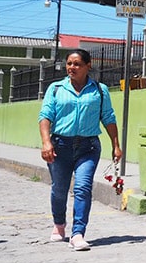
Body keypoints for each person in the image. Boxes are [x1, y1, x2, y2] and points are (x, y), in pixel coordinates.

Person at [38, 49, 122, 251]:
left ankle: (78, 233)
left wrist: (116, 145)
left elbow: (108, 118)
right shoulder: (56, 88)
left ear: (87, 66)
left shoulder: (99, 90)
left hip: (88, 147)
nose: (71, 68)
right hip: (60, 146)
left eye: (76, 64)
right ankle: (59, 225)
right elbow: (45, 116)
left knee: (83, 188)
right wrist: (46, 142)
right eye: (69, 64)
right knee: (59, 189)